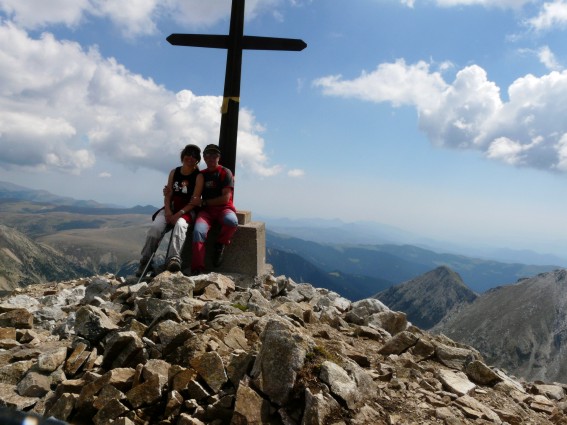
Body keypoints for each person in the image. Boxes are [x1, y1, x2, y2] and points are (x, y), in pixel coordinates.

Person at [136, 144, 204, 276]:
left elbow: (194, 201)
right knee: (155, 229)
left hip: (186, 210)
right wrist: (168, 211)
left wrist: (178, 214)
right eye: (188, 154)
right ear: (183, 156)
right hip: (171, 208)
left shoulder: (198, 177)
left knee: (180, 226)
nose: (190, 157)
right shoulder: (174, 172)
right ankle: (145, 261)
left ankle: (173, 259)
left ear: (197, 160)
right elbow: (168, 193)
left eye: (194, 155)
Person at [190, 144, 238, 275]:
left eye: (214, 155)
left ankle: (220, 244)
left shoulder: (225, 173)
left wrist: (204, 202)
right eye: (208, 155)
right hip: (206, 212)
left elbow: (225, 198)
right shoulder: (202, 175)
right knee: (198, 232)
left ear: (219, 157)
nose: (211, 158)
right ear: (204, 158)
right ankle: (197, 269)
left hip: (224, 209)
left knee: (232, 221)